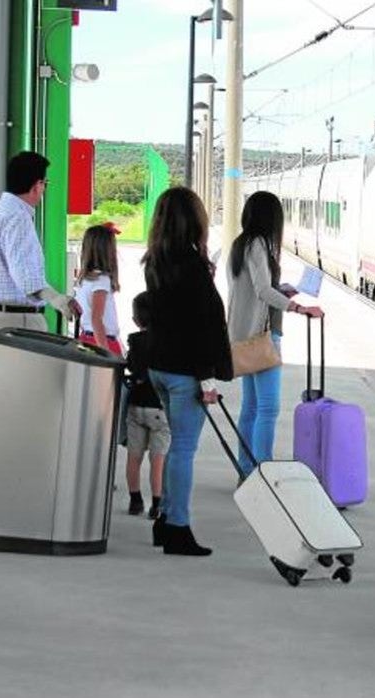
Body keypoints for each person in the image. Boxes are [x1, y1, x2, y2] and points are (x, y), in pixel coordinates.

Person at [143, 187, 232, 556]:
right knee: (182, 449)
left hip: (158, 367)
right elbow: (203, 327)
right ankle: (177, 526)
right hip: (185, 373)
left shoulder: (155, 262)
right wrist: (208, 379)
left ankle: (165, 520)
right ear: (194, 222)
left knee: (173, 445)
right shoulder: (193, 268)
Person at [226, 191, 323, 475]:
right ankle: (262, 470)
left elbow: (253, 290)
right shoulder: (258, 244)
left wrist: (282, 291)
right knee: (268, 408)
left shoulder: (240, 243)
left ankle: (247, 469)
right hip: (262, 336)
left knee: (251, 407)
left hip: (244, 334)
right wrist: (299, 307)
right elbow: (262, 290)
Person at [0, 151, 80, 348]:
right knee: (30, 379)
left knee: (7, 378)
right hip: (15, 319)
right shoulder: (18, 217)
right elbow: (26, 276)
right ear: (37, 186)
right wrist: (56, 299)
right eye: (45, 184)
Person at [124, 291, 168, 519]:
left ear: (136, 320)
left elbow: (130, 365)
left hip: (136, 405)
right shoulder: (167, 341)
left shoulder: (134, 340)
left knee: (134, 456)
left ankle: (135, 500)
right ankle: (157, 504)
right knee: (158, 460)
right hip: (159, 408)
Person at [74, 224, 123, 355]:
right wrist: (106, 352)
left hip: (86, 338)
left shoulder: (85, 279)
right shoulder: (101, 280)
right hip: (102, 341)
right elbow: (96, 318)